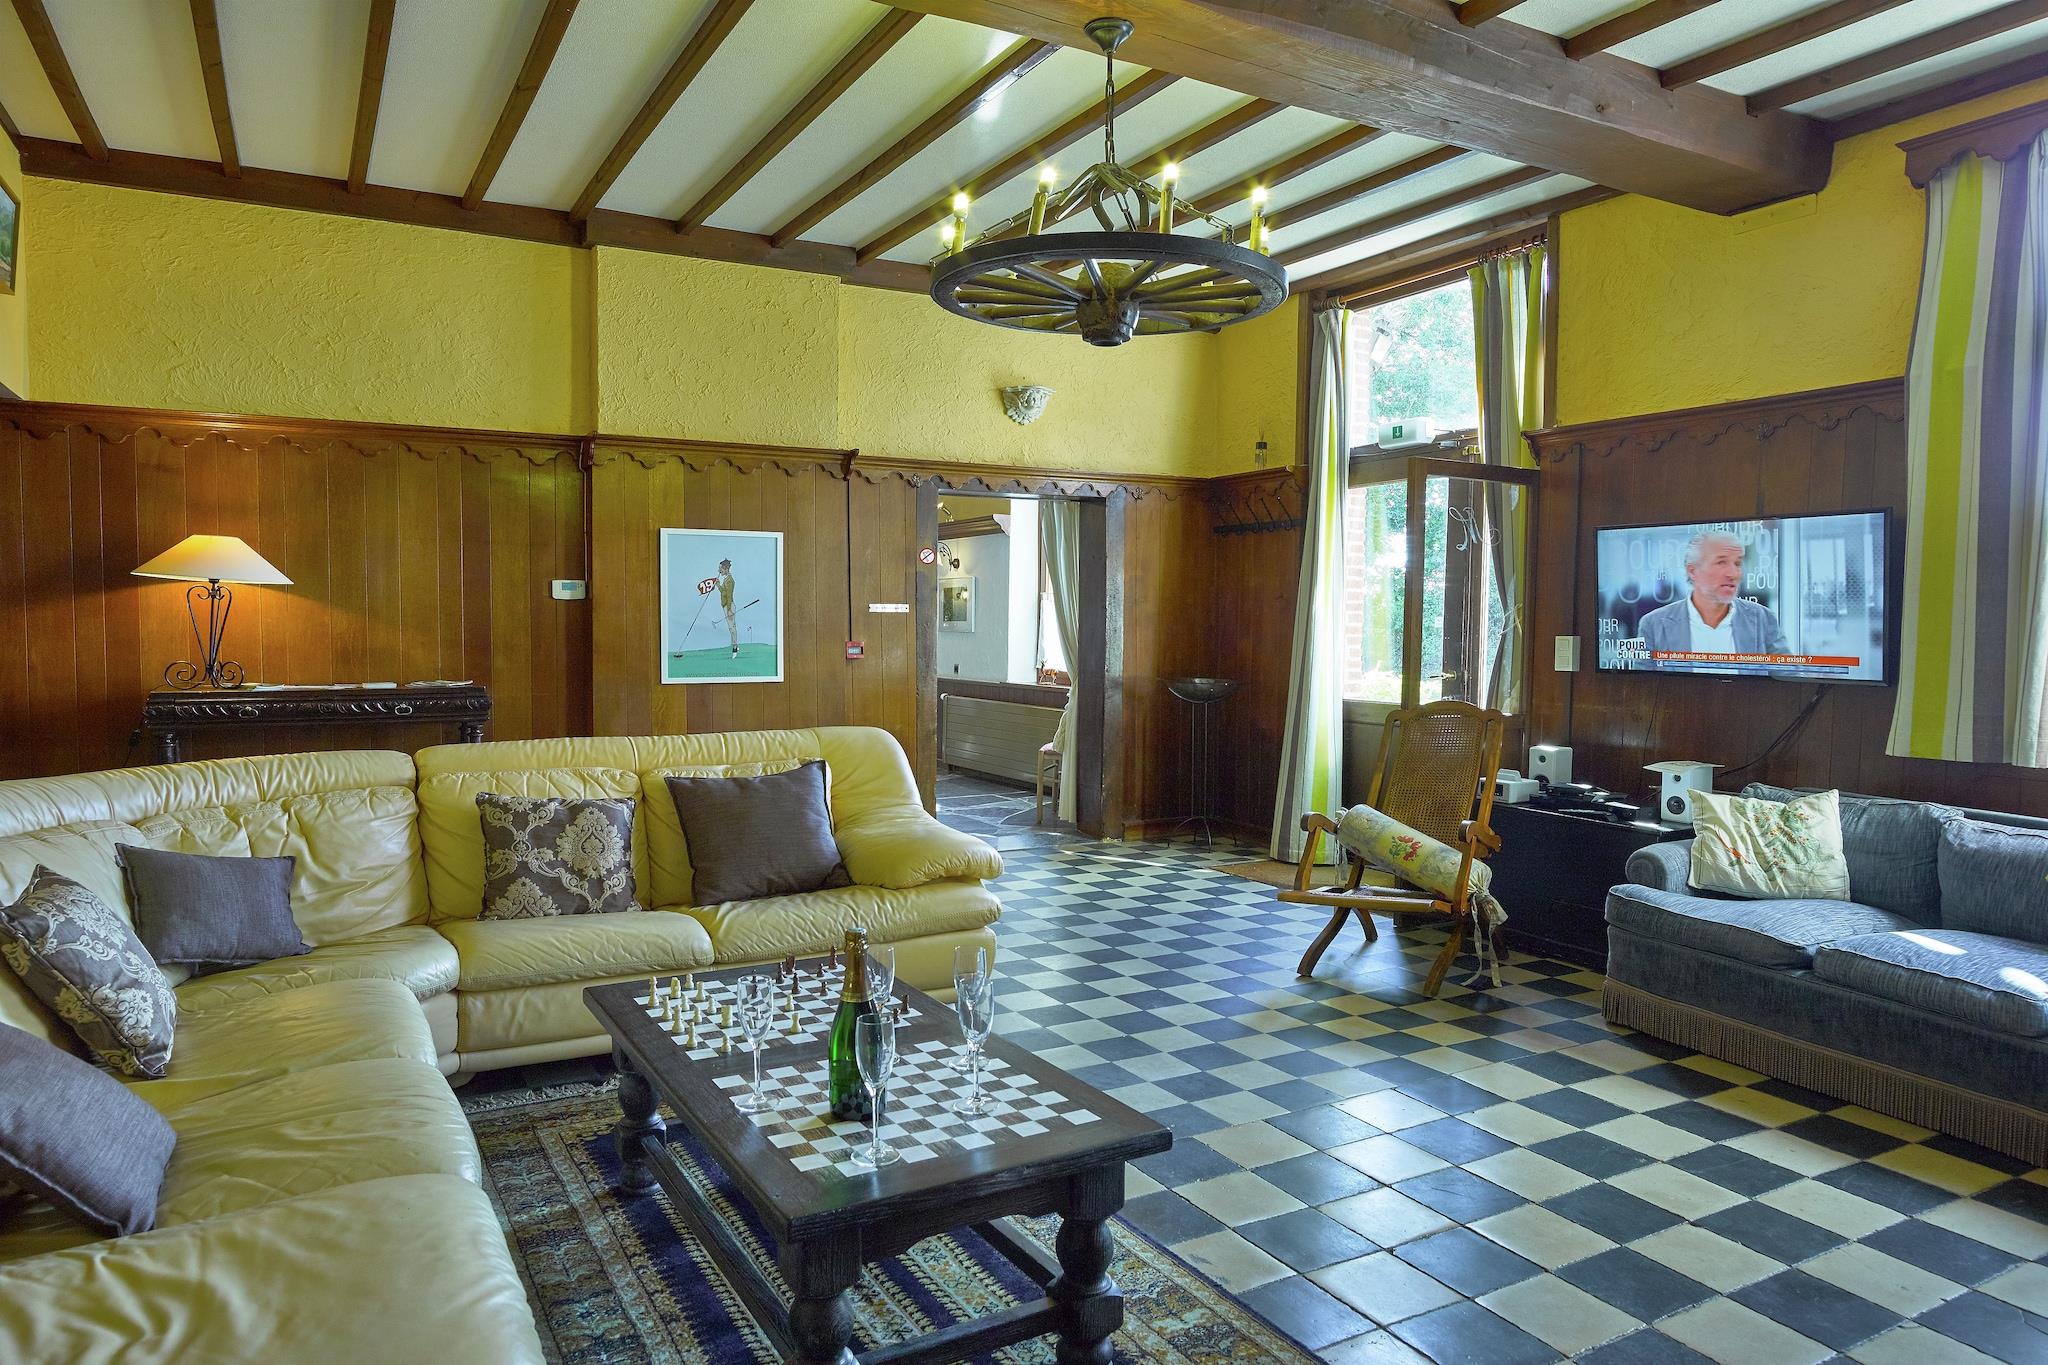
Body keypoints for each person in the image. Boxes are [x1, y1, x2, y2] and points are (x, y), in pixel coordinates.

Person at [1634, 529, 1789, 660]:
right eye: (1721, 562)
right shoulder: (1653, 625)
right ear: (1693, 571)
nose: (1733, 574)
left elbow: (1787, 676)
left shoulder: (1764, 619)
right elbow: (1643, 683)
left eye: (1737, 563)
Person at [717, 558, 738, 658]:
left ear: (726, 569)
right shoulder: (726, 579)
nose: (719, 570)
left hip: (729, 606)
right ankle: (735, 645)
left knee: (731, 627)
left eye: (720, 568)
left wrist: (729, 610)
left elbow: (728, 595)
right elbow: (724, 592)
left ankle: (735, 647)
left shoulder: (729, 580)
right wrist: (718, 585)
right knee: (731, 627)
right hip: (726, 606)